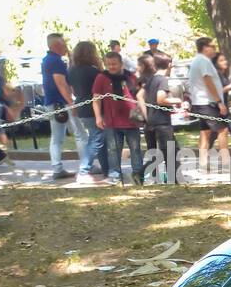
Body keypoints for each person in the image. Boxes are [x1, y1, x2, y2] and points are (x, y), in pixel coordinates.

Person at [93, 51, 144, 184]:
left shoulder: (131, 77)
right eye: (109, 64)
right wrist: (98, 117)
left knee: (135, 149)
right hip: (112, 121)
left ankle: (138, 174)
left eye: (114, 64)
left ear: (121, 64)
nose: (111, 67)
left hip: (131, 120)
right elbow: (96, 98)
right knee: (113, 150)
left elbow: (140, 95)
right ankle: (115, 175)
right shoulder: (101, 77)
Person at [187, 36, 231, 170]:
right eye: (212, 46)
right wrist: (219, 102)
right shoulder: (204, 61)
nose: (214, 49)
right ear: (205, 48)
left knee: (205, 133)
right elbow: (208, 81)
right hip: (208, 102)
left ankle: (203, 162)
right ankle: (226, 162)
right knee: (223, 130)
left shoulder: (197, 60)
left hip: (200, 102)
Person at [66, 40, 107, 177]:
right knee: (97, 138)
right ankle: (84, 168)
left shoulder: (71, 71)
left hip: (81, 106)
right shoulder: (94, 71)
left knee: (97, 138)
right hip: (94, 107)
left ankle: (106, 167)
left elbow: (73, 90)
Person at [138, 51, 178, 179]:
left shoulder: (151, 79)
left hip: (152, 121)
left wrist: (147, 115)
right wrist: (177, 100)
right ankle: (172, 178)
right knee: (168, 151)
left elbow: (140, 96)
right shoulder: (162, 80)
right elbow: (160, 99)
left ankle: (174, 178)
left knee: (172, 149)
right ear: (169, 65)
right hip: (162, 122)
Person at [41, 33, 76, 180]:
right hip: (60, 103)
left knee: (56, 138)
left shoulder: (47, 60)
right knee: (80, 134)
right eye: (64, 44)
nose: (66, 47)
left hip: (52, 102)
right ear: (56, 46)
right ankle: (88, 165)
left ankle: (57, 168)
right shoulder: (55, 61)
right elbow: (61, 84)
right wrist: (71, 103)